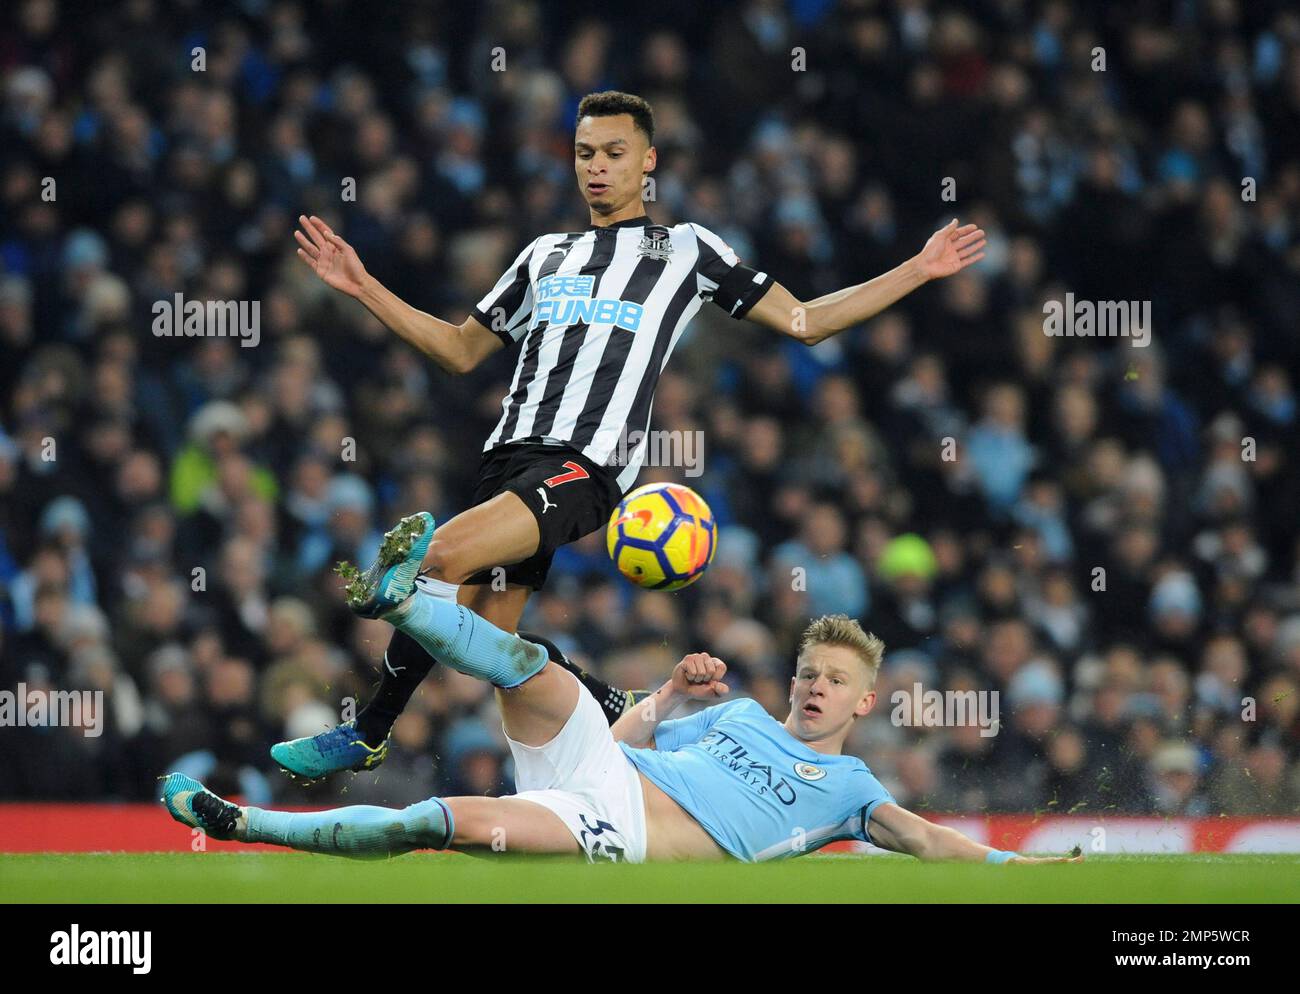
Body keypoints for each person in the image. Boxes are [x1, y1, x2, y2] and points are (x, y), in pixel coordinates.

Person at [277, 89, 987, 777]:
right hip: (507, 456)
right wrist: (363, 285)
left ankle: (367, 728)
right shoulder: (542, 255)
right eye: (585, 152)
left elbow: (806, 321)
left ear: (649, 160)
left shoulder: (685, 250)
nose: (596, 166)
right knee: (485, 645)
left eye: (614, 152)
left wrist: (917, 270)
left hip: (589, 467)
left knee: (434, 556)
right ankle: (610, 700)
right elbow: (460, 350)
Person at [163, 611, 1079, 866]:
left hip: (621, 832)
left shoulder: (854, 794)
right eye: (807, 672)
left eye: (833, 682)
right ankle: (406, 599)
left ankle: (244, 823)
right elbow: (630, 727)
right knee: (529, 663)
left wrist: (1017, 869)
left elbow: (925, 839)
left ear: (864, 703)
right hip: (606, 759)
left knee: (437, 823)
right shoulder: (738, 714)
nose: (813, 688)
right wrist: (669, 693)